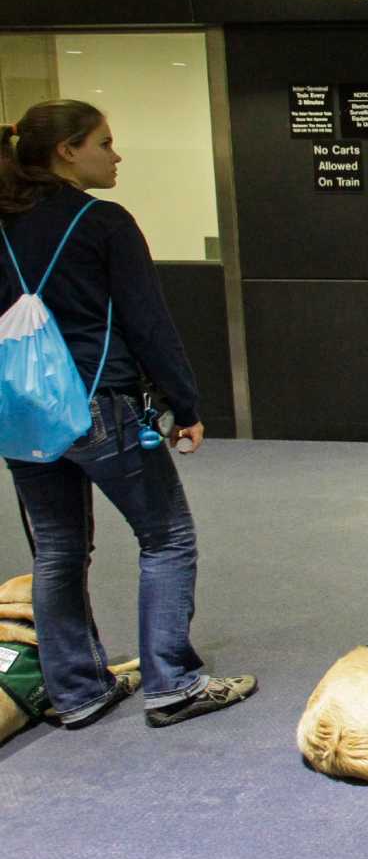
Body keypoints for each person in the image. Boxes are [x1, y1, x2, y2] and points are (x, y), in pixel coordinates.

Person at [1, 99, 256, 728]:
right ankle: (174, 682)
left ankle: (77, 690)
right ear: (67, 151)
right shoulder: (103, 222)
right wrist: (184, 403)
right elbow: (147, 322)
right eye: (104, 143)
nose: (116, 156)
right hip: (99, 405)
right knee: (166, 536)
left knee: (58, 549)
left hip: (23, 413)